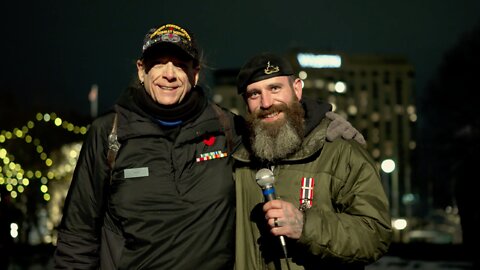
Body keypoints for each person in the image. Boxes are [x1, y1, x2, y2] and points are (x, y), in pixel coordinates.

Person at [53, 22, 365, 270]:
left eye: (180, 64)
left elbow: (275, 120)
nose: (170, 74)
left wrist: (324, 122)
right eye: (158, 63)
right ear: (141, 70)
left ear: (196, 73)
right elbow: (77, 235)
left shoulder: (228, 128)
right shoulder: (109, 133)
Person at [232, 52, 392, 269]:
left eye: (275, 88)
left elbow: (376, 235)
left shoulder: (340, 150)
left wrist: (305, 226)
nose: (267, 102)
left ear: (297, 89)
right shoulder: (236, 159)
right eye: (254, 94)